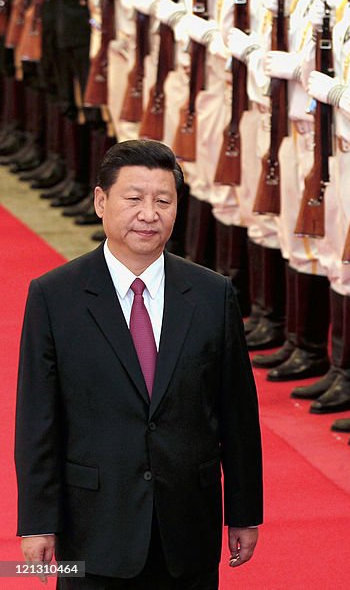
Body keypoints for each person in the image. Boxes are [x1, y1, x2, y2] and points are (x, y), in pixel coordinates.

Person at [15, 139, 263, 586]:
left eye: (163, 201)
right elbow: (38, 420)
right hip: (93, 528)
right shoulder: (55, 296)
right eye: (133, 199)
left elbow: (237, 415)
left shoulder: (212, 295)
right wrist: (37, 521)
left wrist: (244, 513)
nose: (149, 214)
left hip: (187, 525)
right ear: (100, 201)